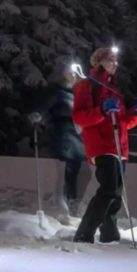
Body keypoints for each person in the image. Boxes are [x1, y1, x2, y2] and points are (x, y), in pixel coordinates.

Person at [71, 47, 137, 243]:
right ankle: (84, 232)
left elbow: (122, 122)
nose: (115, 63)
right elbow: (80, 116)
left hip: (118, 145)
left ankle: (109, 231)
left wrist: (136, 114)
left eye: (116, 60)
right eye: (111, 59)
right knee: (109, 188)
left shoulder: (114, 88)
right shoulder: (87, 85)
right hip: (101, 143)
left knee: (116, 191)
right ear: (98, 61)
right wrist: (102, 111)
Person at [33, 61, 86, 215]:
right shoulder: (58, 92)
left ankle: (70, 200)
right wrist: (38, 114)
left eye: (75, 73)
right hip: (64, 131)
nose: (73, 76)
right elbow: (45, 105)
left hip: (77, 132)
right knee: (70, 166)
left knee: (79, 168)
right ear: (62, 74)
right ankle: (67, 201)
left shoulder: (77, 94)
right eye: (70, 72)